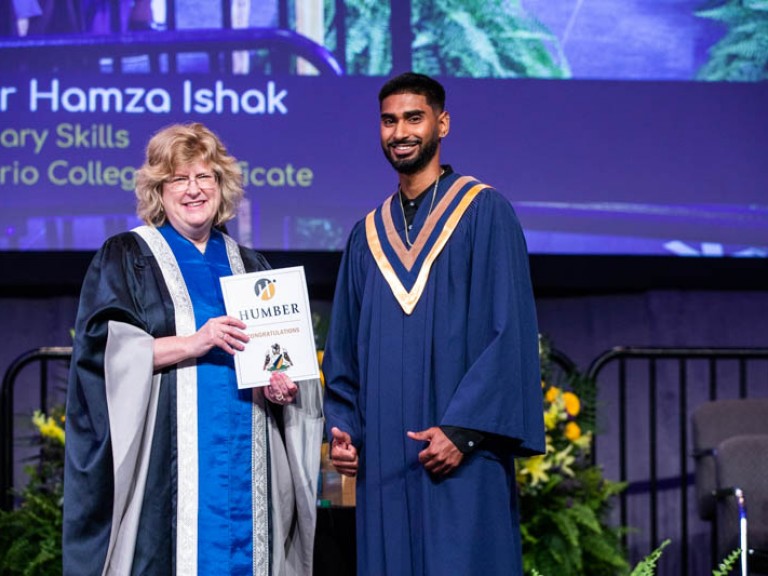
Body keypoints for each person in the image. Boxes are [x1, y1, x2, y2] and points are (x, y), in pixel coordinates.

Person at [63, 122, 322, 575]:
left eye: (205, 177)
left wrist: (281, 389)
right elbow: (101, 354)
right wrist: (194, 342)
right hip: (170, 465)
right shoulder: (128, 256)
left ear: (222, 186)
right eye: (179, 178)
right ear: (158, 190)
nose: (194, 189)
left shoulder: (251, 266)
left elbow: (276, 361)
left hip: (247, 452)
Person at [322, 72, 545, 575]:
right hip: (384, 463)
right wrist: (345, 431)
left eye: (413, 118)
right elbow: (344, 351)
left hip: (461, 457)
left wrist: (463, 431)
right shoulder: (366, 236)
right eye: (389, 120)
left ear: (441, 124)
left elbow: (508, 334)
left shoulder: (484, 212)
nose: (400, 132)